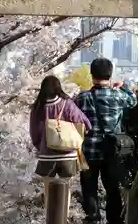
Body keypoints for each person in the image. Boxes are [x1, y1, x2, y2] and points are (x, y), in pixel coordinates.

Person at [75, 58, 137, 224]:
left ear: (92, 75)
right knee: (112, 189)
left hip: (89, 151)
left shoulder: (83, 97)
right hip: (112, 151)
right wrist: (123, 85)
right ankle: (114, 220)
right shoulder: (118, 96)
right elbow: (133, 100)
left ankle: (93, 218)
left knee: (89, 189)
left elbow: (73, 114)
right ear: (109, 75)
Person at [29, 75, 92, 215]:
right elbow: (86, 123)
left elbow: (34, 133)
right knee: (65, 190)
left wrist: (42, 146)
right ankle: (63, 217)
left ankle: (50, 218)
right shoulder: (67, 104)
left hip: (47, 156)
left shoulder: (38, 107)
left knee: (48, 191)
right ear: (58, 87)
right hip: (67, 156)